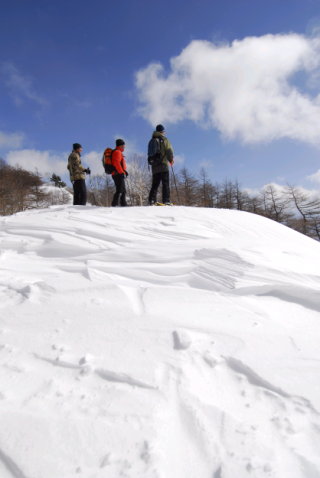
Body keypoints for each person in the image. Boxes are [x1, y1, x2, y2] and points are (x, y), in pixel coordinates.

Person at [148, 125, 174, 205]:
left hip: (155, 165)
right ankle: (166, 200)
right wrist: (171, 160)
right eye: (164, 131)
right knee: (165, 183)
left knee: (155, 184)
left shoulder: (151, 140)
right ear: (162, 132)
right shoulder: (165, 139)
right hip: (163, 164)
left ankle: (152, 200)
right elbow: (169, 151)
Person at [111, 139, 128, 207]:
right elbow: (116, 163)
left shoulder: (118, 152)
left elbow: (120, 164)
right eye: (124, 145)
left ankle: (123, 205)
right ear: (120, 145)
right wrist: (121, 172)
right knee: (120, 190)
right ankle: (114, 204)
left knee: (123, 191)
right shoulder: (117, 152)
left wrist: (124, 171)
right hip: (117, 174)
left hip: (118, 173)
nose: (124, 146)